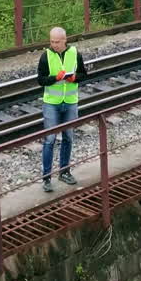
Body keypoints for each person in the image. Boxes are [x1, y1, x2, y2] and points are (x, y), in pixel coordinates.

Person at [37, 26, 89, 192]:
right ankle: (46, 178)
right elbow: (41, 80)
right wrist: (54, 79)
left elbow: (83, 74)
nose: (54, 45)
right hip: (52, 102)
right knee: (50, 140)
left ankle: (64, 171)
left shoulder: (75, 54)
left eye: (57, 42)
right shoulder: (46, 56)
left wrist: (74, 78)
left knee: (68, 136)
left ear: (65, 40)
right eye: (52, 41)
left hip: (70, 101)